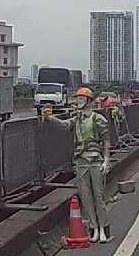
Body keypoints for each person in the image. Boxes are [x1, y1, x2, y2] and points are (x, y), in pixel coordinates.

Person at [43, 86, 112, 243]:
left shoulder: (97, 119)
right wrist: (49, 117)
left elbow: (106, 140)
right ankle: (94, 228)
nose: (79, 101)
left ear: (88, 101)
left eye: (81, 98)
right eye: (78, 98)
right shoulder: (77, 119)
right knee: (85, 197)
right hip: (81, 161)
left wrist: (106, 160)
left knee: (98, 196)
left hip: (95, 160)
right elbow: (64, 125)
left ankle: (103, 228)